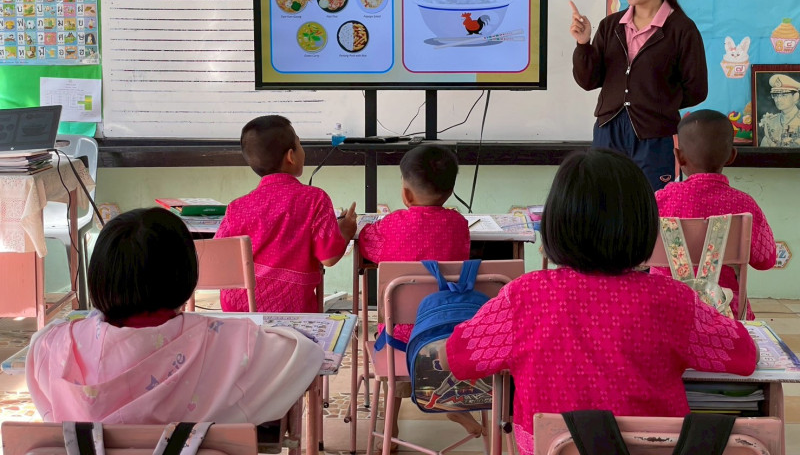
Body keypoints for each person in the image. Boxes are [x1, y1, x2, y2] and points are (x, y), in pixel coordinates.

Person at [444, 149, 757, 455]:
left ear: (554, 222)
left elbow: (455, 358)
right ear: (646, 224)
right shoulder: (673, 299)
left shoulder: (523, 296)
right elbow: (744, 355)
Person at [26, 207, 324, 424]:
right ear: (185, 274)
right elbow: (305, 354)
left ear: (99, 275)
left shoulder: (51, 347)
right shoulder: (231, 342)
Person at [358, 144, 482, 439]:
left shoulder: (392, 225)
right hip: (448, 330)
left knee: (395, 338)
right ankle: (455, 403)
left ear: (406, 194)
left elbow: (367, 244)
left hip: (401, 336)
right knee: (434, 329)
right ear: (449, 192)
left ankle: (391, 424)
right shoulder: (458, 224)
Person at [570, 0, 708, 190]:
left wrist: (657, 104)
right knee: (605, 204)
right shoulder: (610, 26)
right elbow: (588, 81)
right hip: (608, 131)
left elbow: (697, 89)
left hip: (657, 137)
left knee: (655, 205)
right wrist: (583, 44)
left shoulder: (682, 29)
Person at [216, 115, 357, 312]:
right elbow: (329, 257)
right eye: (300, 144)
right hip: (291, 311)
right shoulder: (314, 199)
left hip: (239, 310)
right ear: (291, 156)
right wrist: (346, 231)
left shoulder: (236, 207)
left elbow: (218, 257)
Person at [654, 109, 776, 319]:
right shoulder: (745, 204)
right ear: (731, 156)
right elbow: (766, 260)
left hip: (666, 313)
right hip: (726, 314)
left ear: (679, 156)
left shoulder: (659, 201)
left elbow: (635, 255)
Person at [759, 73, 800, 147]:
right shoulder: (770, 122)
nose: (778, 100)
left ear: (795, 97)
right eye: (775, 95)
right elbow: (764, 149)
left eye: (784, 95)